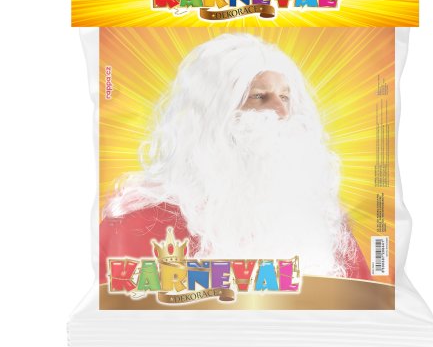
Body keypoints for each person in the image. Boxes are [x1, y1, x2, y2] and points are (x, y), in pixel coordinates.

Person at [99, 33, 370, 284]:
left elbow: (363, 305)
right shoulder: (137, 221)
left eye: (285, 97)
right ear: (212, 115)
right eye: (259, 97)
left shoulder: (321, 223)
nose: (281, 112)